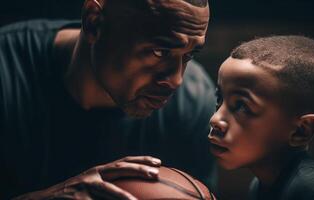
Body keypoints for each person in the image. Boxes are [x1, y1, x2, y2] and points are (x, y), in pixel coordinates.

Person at [0, 0, 216, 199]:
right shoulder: (7, 73)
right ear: (94, 22)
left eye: (189, 55)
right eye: (160, 51)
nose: (176, 79)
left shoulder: (192, 101)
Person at [208, 35, 314, 200]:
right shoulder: (262, 184)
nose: (215, 119)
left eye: (242, 106)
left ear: (301, 131)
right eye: (219, 99)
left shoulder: (311, 191)